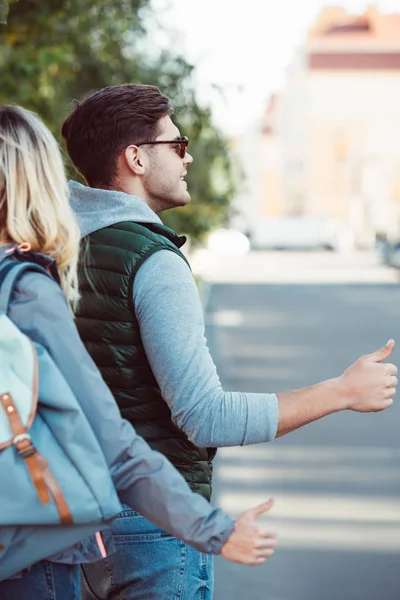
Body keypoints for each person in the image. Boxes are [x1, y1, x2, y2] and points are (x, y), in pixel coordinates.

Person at [61, 84, 398, 600]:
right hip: (154, 520)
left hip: (65, 521)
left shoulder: (48, 248)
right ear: (136, 158)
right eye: (177, 144)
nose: (188, 155)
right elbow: (205, 417)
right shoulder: (152, 261)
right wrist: (342, 392)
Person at [0, 104, 279, 600]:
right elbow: (121, 436)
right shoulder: (28, 286)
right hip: (44, 538)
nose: (187, 158)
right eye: (178, 144)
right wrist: (216, 530)